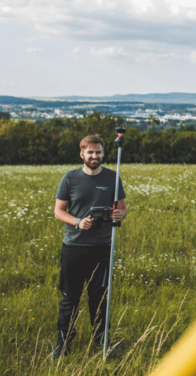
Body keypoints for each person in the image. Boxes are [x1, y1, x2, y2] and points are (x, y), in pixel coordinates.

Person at [51, 134, 127, 358]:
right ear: (82, 154)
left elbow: (122, 210)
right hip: (74, 247)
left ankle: (102, 342)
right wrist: (77, 222)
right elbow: (58, 211)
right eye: (90, 152)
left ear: (103, 154)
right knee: (69, 298)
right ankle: (63, 344)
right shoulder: (70, 178)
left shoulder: (113, 177)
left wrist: (118, 214)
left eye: (99, 152)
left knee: (100, 298)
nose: (95, 156)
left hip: (102, 247)